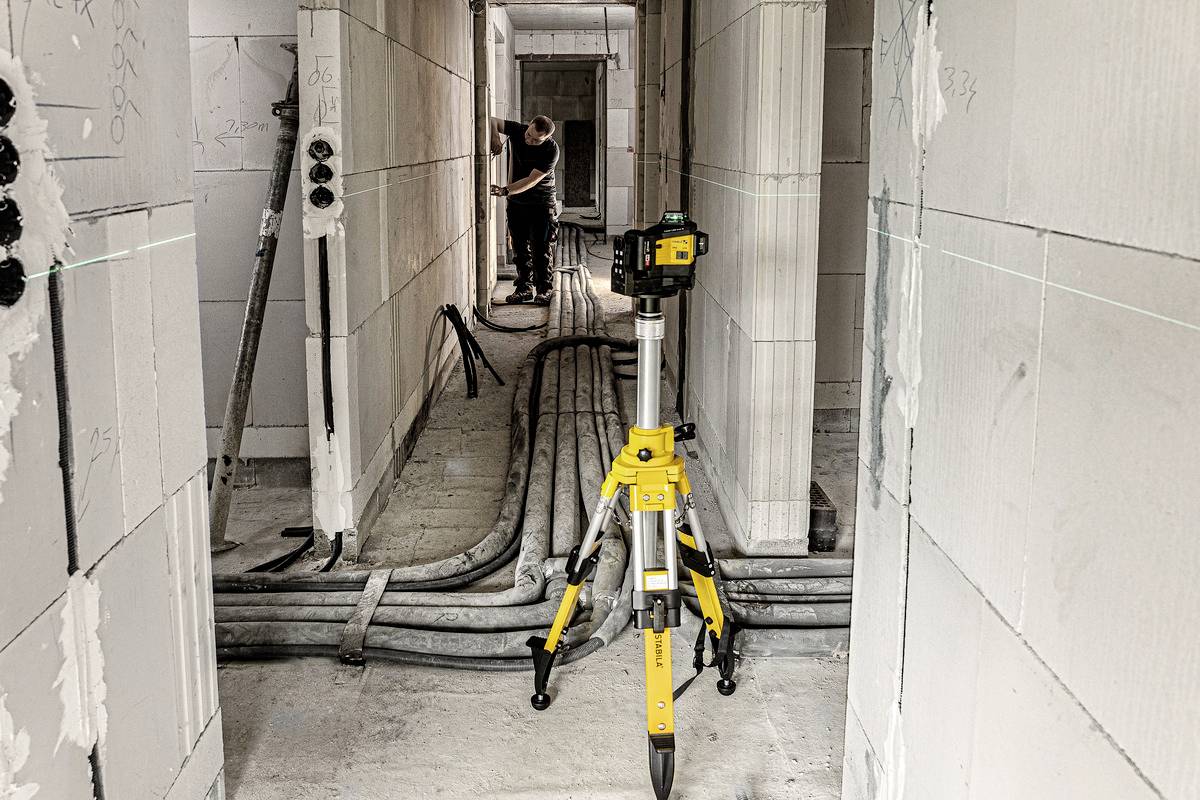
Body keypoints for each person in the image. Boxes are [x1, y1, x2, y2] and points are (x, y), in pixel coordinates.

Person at [490, 115, 559, 305]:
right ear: (528, 126)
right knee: (519, 248)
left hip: (541, 204)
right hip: (517, 202)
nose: (529, 140)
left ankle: (544, 290)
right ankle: (524, 289)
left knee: (540, 247)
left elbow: (531, 180)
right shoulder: (518, 130)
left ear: (545, 138)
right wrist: (495, 138)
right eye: (529, 134)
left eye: (536, 139)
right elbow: (491, 120)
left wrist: (505, 190)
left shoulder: (551, 150)